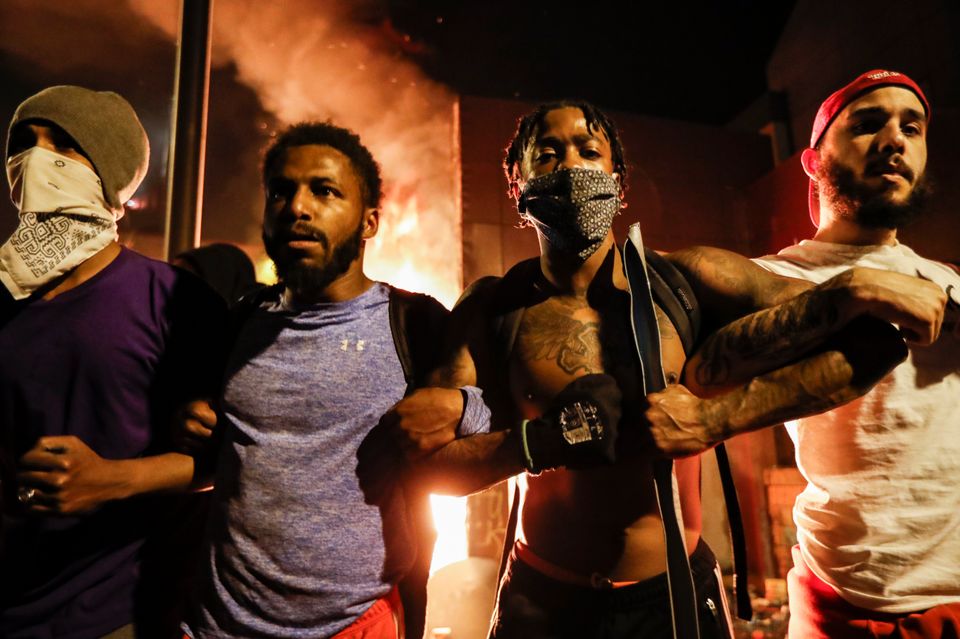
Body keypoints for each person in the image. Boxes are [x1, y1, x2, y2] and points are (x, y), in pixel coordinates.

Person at [382, 100, 948, 639]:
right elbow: (430, 471)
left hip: (670, 596)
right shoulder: (492, 307)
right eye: (548, 154)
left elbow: (872, 345)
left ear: (618, 178)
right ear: (517, 185)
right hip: (543, 598)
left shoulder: (688, 281)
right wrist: (541, 442)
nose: (572, 166)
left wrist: (715, 419)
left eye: (588, 150)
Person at [178, 122, 447, 639]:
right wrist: (190, 421)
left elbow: (474, 426)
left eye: (324, 191)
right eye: (282, 190)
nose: (296, 207)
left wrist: (463, 406)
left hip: (353, 626)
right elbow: (214, 453)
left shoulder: (418, 324)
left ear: (369, 222)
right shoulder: (239, 323)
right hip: (216, 626)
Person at [0, 86, 225, 638]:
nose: (36, 160)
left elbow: (228, 461)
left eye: (65, 146)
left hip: (114, 614)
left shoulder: (173, 300)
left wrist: (110, 480)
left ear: (110, 171)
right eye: (24, 143)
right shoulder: (2, 295)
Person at [749, 70, 960, 639]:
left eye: (910, 128)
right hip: (848, 607)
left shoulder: (950, 281)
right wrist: (851, 293)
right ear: (814, 162)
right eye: (868, 125)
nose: (895, 140)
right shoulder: (772, 278)